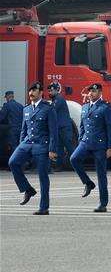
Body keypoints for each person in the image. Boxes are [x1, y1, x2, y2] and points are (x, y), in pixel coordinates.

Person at [9, 82, 57, 214]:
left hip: (42, 145)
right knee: (13, 162)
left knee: (42, 175)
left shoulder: (48, 108)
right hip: (27, 143)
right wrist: (20, 146)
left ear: (41, 93)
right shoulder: (26, 109)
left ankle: (44, 207)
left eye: (34, 91)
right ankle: (27, 189)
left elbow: (54, 131)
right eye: (30, 91)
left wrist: (52, 149)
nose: (31, 93)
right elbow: (23, 130)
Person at [70, 83, 111, 212]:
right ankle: (88, 183)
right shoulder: (84, 107)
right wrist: (80, 141)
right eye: (90, 91)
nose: (91, 94)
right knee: (74, 159)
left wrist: (110, 147)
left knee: (101, 174)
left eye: (94, 91)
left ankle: (103, 203)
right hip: (86, 142)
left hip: (100, 145)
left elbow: (110, 129)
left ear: (100, 92)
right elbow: (82, 126)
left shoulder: (105, 107)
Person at [47, 82, 74, 172]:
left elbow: (52, 109)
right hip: (59, 128)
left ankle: (77, 163)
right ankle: (59, 166)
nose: (49, 93)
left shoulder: (59, 98)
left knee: (69, 146)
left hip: (64, 128)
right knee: (59, 148)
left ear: (56, 90)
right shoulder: (55, 99)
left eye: (51, 91)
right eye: (49, 91)